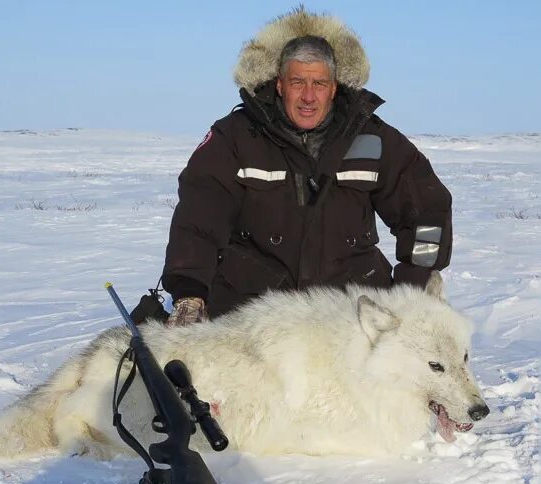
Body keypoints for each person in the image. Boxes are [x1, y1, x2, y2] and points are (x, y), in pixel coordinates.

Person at [162, 8, 453, 325]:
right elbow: (198, 218)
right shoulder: (234, 137)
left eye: (319, 83)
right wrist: (190, 293)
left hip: (349, 316)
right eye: (298, 81)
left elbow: (427, 212)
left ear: (334, 87)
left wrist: (411, 291)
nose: (308, 97)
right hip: (252, 317)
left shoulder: (375, 139)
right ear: (279, 85)